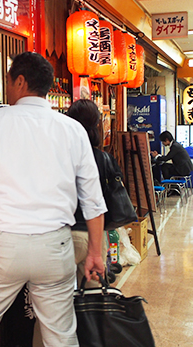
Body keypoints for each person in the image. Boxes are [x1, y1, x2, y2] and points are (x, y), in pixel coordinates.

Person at [0, 52, 107, 347]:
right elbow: (93, 199)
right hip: (54, 247)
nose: (9, 88)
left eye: (9, 81)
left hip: (3, 245)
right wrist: (95, 253)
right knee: (61, 336)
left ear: (21, 81)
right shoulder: (72, 129)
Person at [66, 99, 113, 286]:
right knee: (94, 299)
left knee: (60, 300)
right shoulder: (104, 158)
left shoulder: (61, 155)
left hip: (64, 235)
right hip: (95, 235)